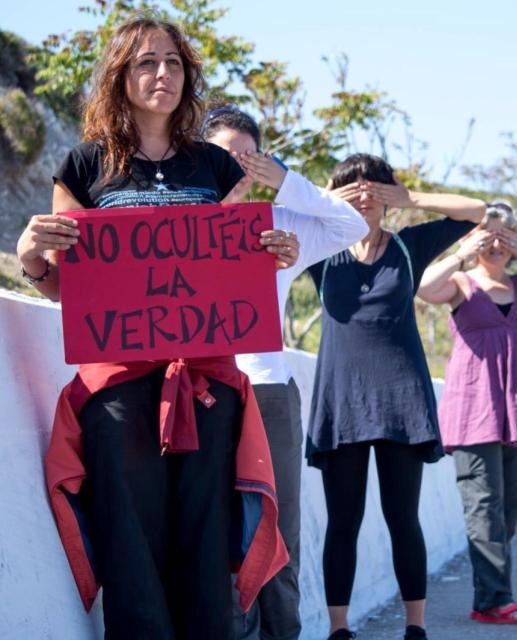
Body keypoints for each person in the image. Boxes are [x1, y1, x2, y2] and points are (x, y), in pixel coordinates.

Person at [16, 18, 293, 639]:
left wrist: (270, 250)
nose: (162, 74)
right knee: (130, 542)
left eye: (172, 62)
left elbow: (232, 268)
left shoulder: (217, 168)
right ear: (121, 76)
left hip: (207, 385)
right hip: (116, 390)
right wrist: (32, 255)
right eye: (145, 63)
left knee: (205, 538)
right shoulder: (84, 166)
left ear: (187, 75)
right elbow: (71, 289)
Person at [201, 106, 368, 640]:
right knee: (219, 528)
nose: (238, 166)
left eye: (249, 157)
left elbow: (353, 224)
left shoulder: (281, 225)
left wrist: (288, 181)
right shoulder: (176, 224)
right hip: (202, 388)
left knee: (278, 527)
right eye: (226, 155)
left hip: (269, 387)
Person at [305, 153, 485, 640]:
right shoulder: (319, 250)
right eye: (354, 188)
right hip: (341, 403)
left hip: (400, 402)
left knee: (401, 517)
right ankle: (340, 630)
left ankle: (415, 628)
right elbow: (281, 213)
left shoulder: (408, 247)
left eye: (374, 188)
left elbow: (477, 210)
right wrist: (328, 199)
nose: (365, 196)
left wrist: (409, 198)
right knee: (344, 521)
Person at [417, 201, 517, 624]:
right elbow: (423, 288)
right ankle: (492, 601)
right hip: (472, 414)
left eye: (505, 237)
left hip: (516, 414)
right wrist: (464, 249)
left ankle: (492, 594)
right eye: (489, 236)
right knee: (483, 507)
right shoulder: (460, 284)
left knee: (505, 513)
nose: (496, 245)